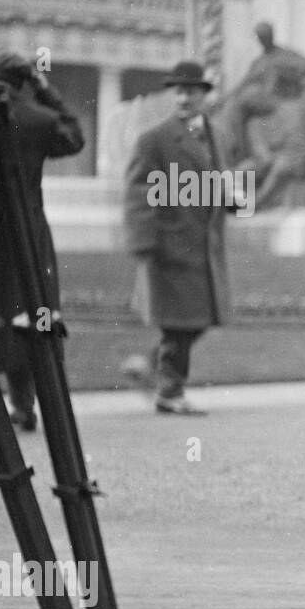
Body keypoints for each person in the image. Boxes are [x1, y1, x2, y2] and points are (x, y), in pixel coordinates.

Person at [121, 60, 237, 415]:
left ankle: (150, 369)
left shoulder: (216, 135)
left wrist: (234, 201)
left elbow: (218, 180)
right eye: (179, 91)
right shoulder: (154, 139)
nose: (184, 98)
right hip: (170, 245)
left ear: (204, 95)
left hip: (203, 246)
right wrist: (144, 243)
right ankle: (169, 391)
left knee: (197, 320)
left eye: (191, 91)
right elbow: (138, 194)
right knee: (181, 322)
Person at [0, 51, 85, 431]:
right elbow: (74, 136)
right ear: (24, 81)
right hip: (26, 231)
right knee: (32, 312)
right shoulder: (39, 119)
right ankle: (24, 405)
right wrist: (46, 90)